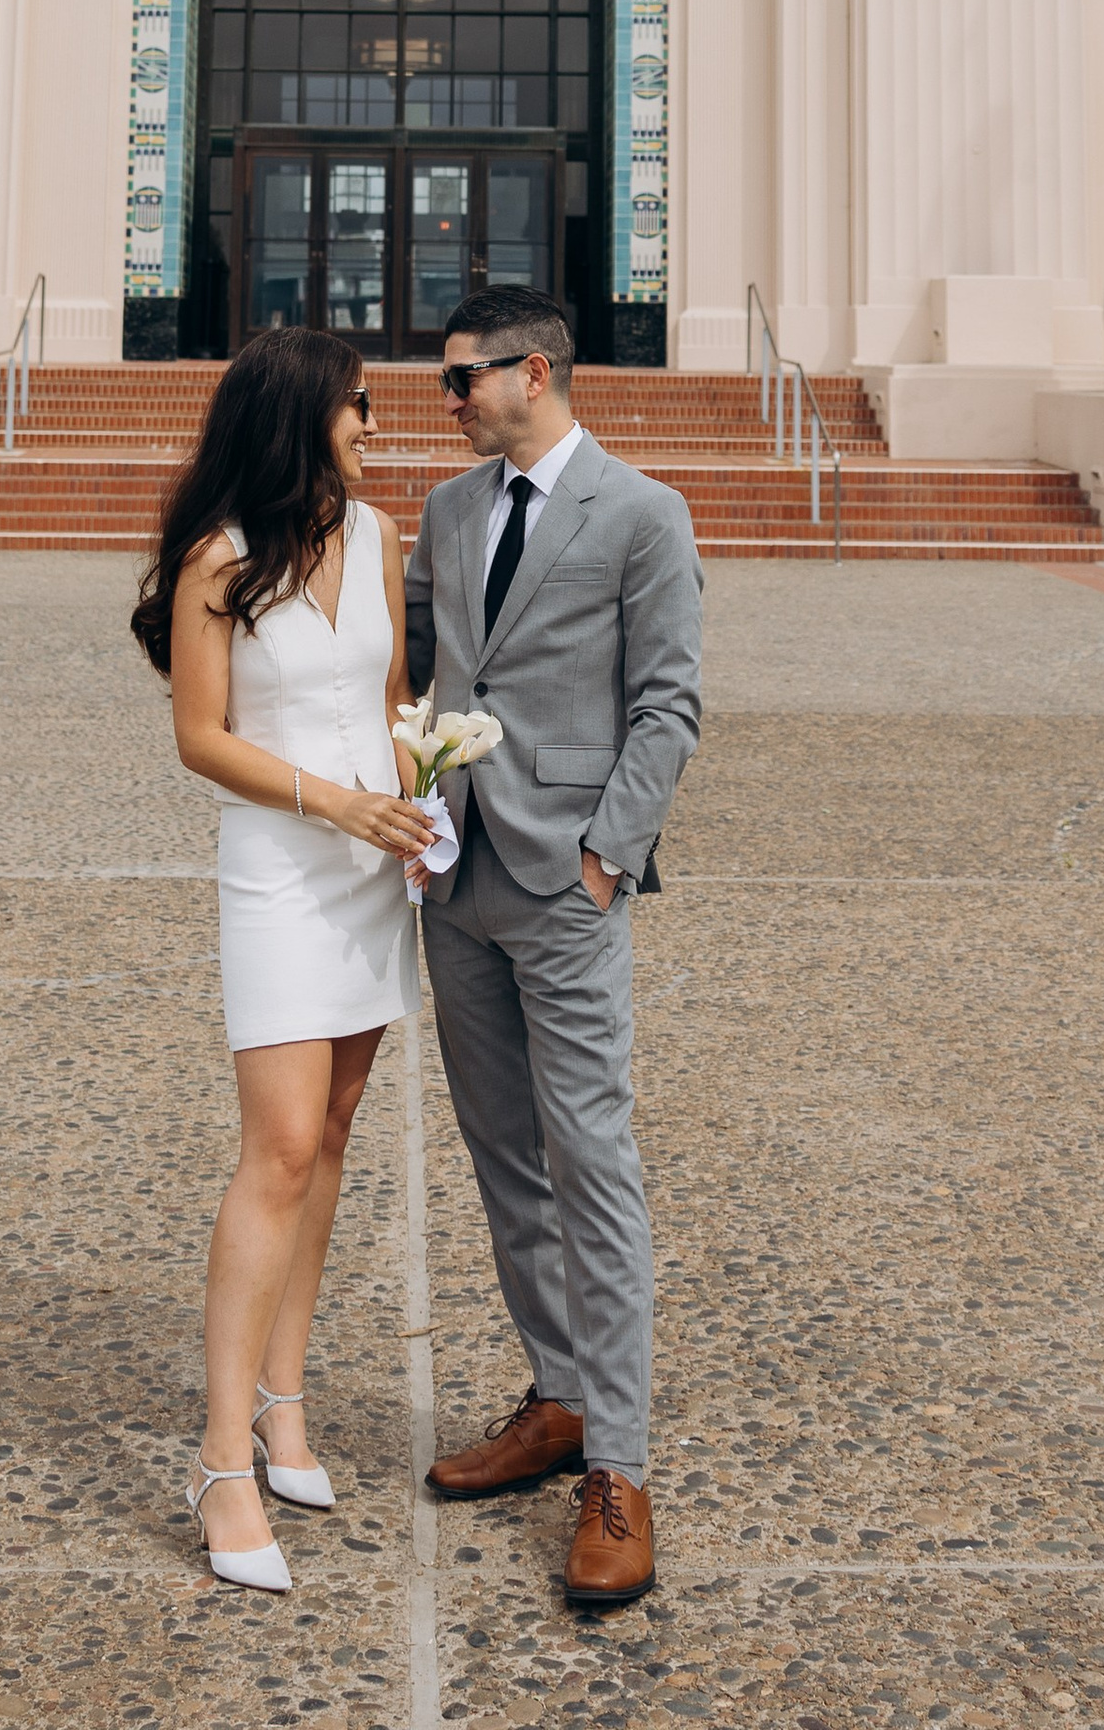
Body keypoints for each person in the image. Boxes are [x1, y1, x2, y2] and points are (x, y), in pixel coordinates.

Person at [404, 289, 703, 1612]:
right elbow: (419, 664)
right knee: (503, 1156)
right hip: (456, 878)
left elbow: (669, 703)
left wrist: (605, 858)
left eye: (462, 379)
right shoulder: (447, 510)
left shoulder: (642, 513)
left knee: (592, 1159)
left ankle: (620, 1470)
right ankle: (560, 1395)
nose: (448, 401)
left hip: (567, 884)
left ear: (535, 373)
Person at [131, 326, 433, 1592]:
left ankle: (284, 1401)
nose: (374, 424)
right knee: (281, 1148)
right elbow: (200, 738)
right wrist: (337, 802)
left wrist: (421, 799)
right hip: (280, 869)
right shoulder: (219, 558)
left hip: (374, 866)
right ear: (300, 414)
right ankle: (220, 1461)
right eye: (358, 404)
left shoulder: (378, 535)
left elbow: (392, 696)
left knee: (337, 1130)